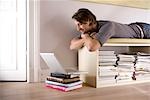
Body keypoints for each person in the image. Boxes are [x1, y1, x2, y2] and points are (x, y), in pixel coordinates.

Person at [70, 8, 150, 52]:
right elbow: (72, 46)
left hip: (143, 30)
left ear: (90, 22)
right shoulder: (88, 30)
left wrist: (86, 38)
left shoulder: (107, 26)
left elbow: (92, 47)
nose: (78, 29)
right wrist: (86, 38)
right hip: (133, 27)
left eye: (80, 25)